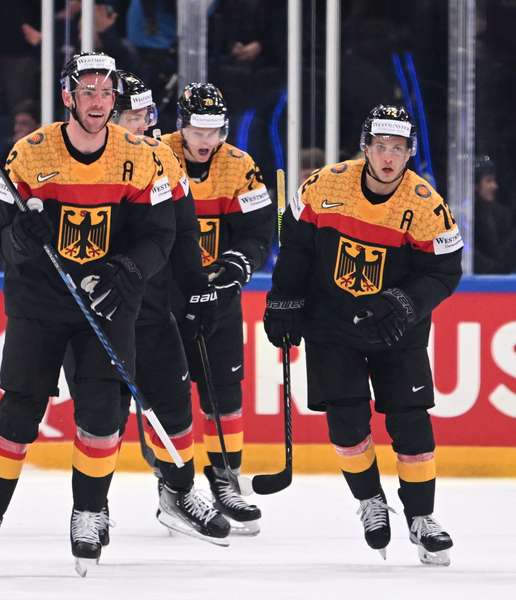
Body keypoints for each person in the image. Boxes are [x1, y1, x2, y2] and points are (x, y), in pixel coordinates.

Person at [0, 51, 175, 576]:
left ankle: (89, 510)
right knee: (17, 412)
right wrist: (23, 239)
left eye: (106, 92)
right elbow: (0, 238)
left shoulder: (141, 156)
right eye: (88, 92)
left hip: (106, 302)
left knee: (101, 416)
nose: (98, 102)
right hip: (40, 303)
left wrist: (127, 268)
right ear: (68, 97)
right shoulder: (29, 155)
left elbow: (159, 235)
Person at [264, 105, 462, 566]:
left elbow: (444, 270)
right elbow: (294, 247)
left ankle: (421, 517)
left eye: (398, 148)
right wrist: (282, 301)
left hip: (397, 329)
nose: (388, 157)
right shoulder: (324, 185)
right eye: (380, 146)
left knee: (411, 422)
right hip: (331, 327)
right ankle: (371, 501)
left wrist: (402, 303)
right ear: (365, 147)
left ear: (410, 152)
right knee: (347, 421)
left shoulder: (425, 203)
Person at [108, 70, 229, 543]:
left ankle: (178, 492)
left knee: (176, 407)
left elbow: (182, 233)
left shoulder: (162, 159)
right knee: (104, 415)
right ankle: (92, 506)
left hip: (154, 308)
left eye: (148, 115)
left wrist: (196, 288)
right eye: (133, 116)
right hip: (104, 309)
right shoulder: (85, 162)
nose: (144, 125)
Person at [160, 83, 273, 534]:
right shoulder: (155, 155)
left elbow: (261, 229)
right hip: (165, 298)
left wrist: (236, 265)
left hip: (219, 296)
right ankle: (171, 484)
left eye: (214, 130)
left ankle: (225, 478)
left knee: (223, 390)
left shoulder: (240, 166)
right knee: (169, 395)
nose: (206, 140)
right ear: (180, 126)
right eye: (197, 129)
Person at [473, 155, 516, 274]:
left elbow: (505, 256)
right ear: (475, 186)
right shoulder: (464, 217)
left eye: (494, 180)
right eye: (488, 181)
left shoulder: (502, 215)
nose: (494, 186)